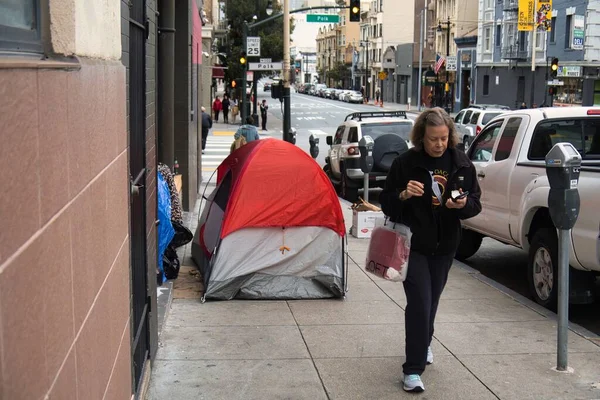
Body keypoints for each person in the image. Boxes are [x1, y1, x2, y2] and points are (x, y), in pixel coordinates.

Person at [379, 107, 482, 393]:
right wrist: (403, 195)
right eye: (433, 139)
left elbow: (475, 203)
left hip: (446, 246)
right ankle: (412, 370)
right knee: (420, 304)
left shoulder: (461, 163)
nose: (438, 144)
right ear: (421, 137)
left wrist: (462, 206)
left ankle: (424, 343)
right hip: (414, 246)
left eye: (443, 138)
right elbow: (387, 202)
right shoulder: (405, 164)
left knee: (432, 301)